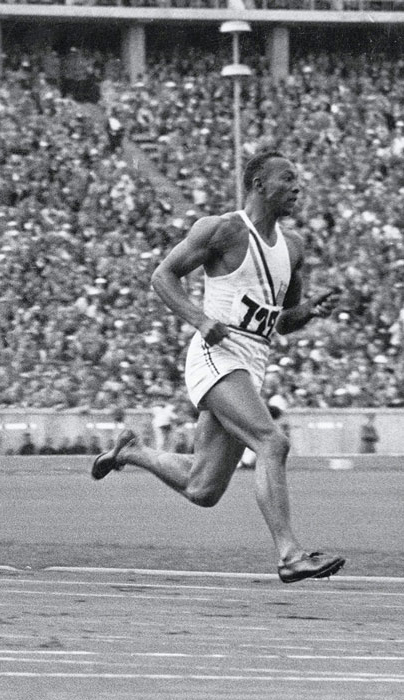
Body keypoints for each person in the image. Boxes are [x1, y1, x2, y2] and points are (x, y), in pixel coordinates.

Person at [91, 151, 344, 584]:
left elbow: (283, 322)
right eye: (288, 179)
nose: (298, 187)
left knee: (202, 488)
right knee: (272, 442)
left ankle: (132, 452)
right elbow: (162, 276)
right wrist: (201, 320)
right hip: (215, 354)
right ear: (259, 185)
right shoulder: (223, 231)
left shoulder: (294, 248)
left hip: (252, 362)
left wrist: (311, 312)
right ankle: (290, 554)